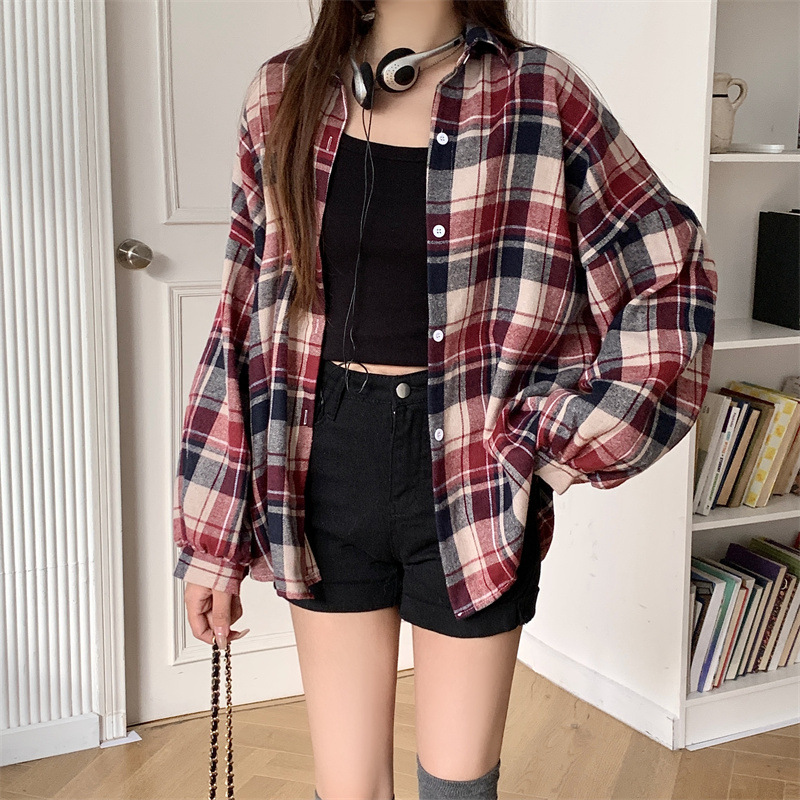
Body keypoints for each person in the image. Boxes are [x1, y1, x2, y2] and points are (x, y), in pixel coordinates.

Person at [172, 0, 717, 798]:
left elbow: (671, 276)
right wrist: (212, 541)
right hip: (322, 465)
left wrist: (554, 443)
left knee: (459, 787)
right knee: (348, 787)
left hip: (474, 465)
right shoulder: (283, 92)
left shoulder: (541, 94)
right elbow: (243, 312)